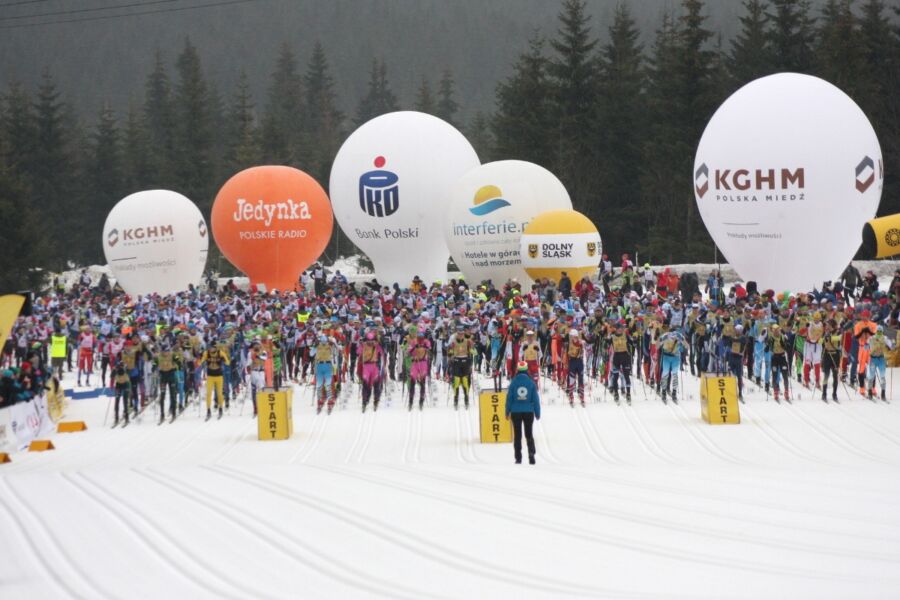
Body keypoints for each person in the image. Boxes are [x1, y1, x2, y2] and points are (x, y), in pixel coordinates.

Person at [505, 361, 541, 465]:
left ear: (517, 370)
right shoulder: (531, 383)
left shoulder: (513, 382)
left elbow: (509, 399)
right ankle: (531, 454)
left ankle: (518, 458)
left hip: (515, 412)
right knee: (529, 434)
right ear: (526, 370)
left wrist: (507, 412)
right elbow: (535, 399)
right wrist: (537, 413)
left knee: (517, 435)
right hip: (528, 412)